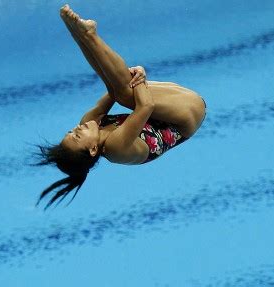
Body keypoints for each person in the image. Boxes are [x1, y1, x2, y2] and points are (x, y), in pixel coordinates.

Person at [32, 4, 207, 210]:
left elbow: (111, 88)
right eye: (77, 136)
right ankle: (90, 34)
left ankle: (80, 34)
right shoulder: (116, 149)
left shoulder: (90, 124)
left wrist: (129, 78)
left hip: (170, 106)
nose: (76, 129)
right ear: (93, 149)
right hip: (187, 115)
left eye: (70, 132)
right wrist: (139, 74)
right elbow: (145, 106)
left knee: (119, 90)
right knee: (125, 94)